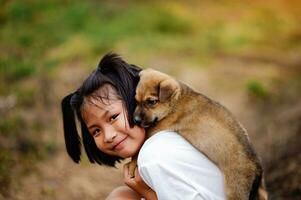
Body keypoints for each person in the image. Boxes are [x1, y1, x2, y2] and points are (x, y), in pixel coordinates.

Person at [61, 53, 225, 200]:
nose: (108, 135)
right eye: (96, 131)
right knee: (122, 196)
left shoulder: (153, 156)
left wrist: (147, 193)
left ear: (136, 103)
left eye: (113, 117)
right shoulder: (168, 138)